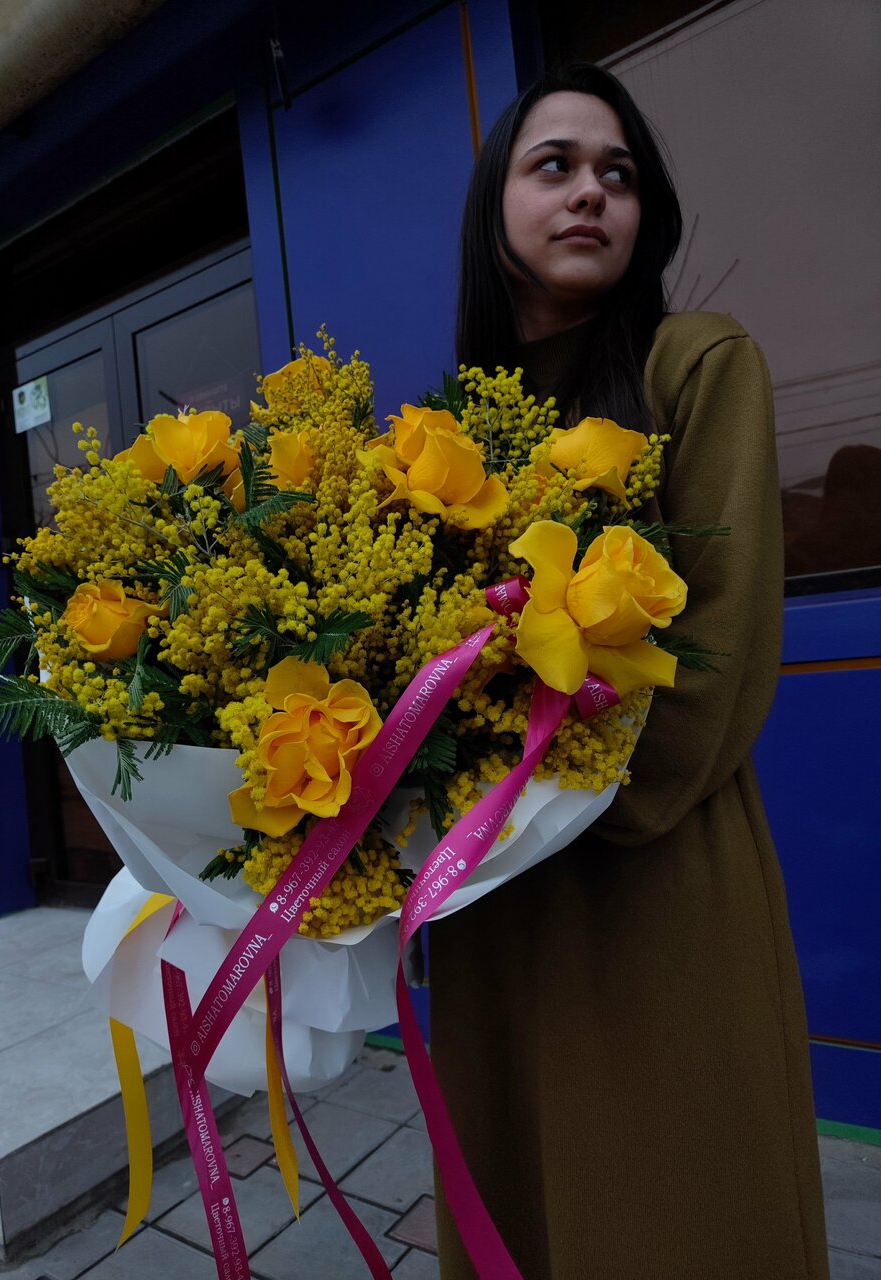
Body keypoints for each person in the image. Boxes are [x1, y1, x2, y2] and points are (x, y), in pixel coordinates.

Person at [429, 63, 830, 1280]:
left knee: (672, 1208)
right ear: (495, 204)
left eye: (620, 173)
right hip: (500, 900)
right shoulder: (450, 432)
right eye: (554, 165)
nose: (592, 191)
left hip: (649, 873)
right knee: (520, 1202)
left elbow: (717, 659)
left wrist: (525, 793)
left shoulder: (695, 363)